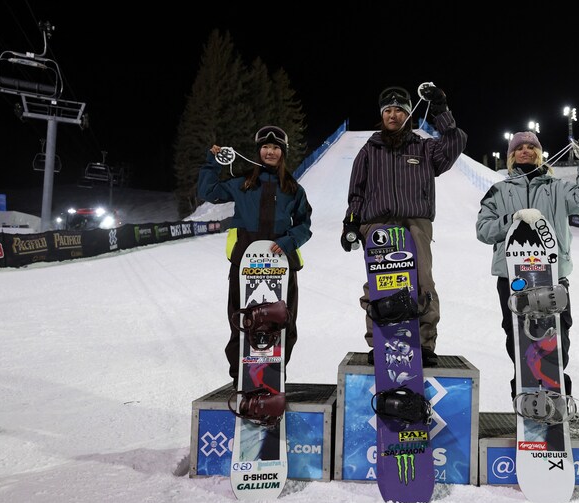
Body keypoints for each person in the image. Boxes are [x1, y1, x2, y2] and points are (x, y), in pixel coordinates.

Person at [341, 84, 467, 367]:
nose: (393, 115)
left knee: (422, 283)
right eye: (388, 110)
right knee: (380, 285)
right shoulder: (369, 150)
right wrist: (351, 224)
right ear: (382, 115)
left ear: (409, 115)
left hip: (416, 223)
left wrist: (441, 109)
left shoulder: (424, 148)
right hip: (378, 225)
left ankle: (424, 344)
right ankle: (380, 341)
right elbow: (357, 192)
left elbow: (455, 142)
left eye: (400, 110)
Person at [475, 131, 579, 399]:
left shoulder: (556, 188)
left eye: (532, 146)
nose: (526, 151)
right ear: (511, 156)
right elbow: (484, 230)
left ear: (539, 153)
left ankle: (555, 388)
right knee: (518, 334)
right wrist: (513, 218)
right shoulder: (499, 191)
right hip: (512, 277)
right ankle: (525, 388)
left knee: (557, 333)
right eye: (519, 147)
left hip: (552, 274)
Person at [197, 125, 313, 389]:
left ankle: (275, 374)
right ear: (258, 151)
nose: (270, 152)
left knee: (284, 321)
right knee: (242, 318)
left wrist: (288, 241)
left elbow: (305, 224)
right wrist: (212, 162)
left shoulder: (294, 188)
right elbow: (209, 192)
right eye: (265, 147)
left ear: (283, 153)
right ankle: (241, 376)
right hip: (246, 263)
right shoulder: (243, 183)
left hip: (281, 265)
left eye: (275, 148)